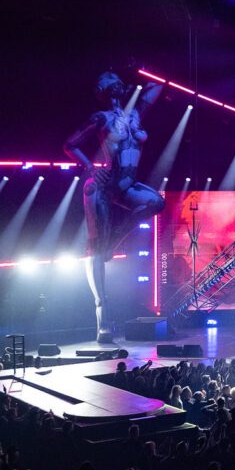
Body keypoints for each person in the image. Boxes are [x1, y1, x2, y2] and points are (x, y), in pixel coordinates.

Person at [64, 70, 164, 342]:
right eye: (109, 82)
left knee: (156, 202)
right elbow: (70, 144)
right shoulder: (101, 118)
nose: (115, 85)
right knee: (96, 247)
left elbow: (157, 87)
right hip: (101, 186)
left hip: (126, 184)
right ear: (103, 90)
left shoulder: (135, 115)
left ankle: (117, 237)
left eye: (116, 81)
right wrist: (90, 166)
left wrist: (137, 71)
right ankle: (102, 319)